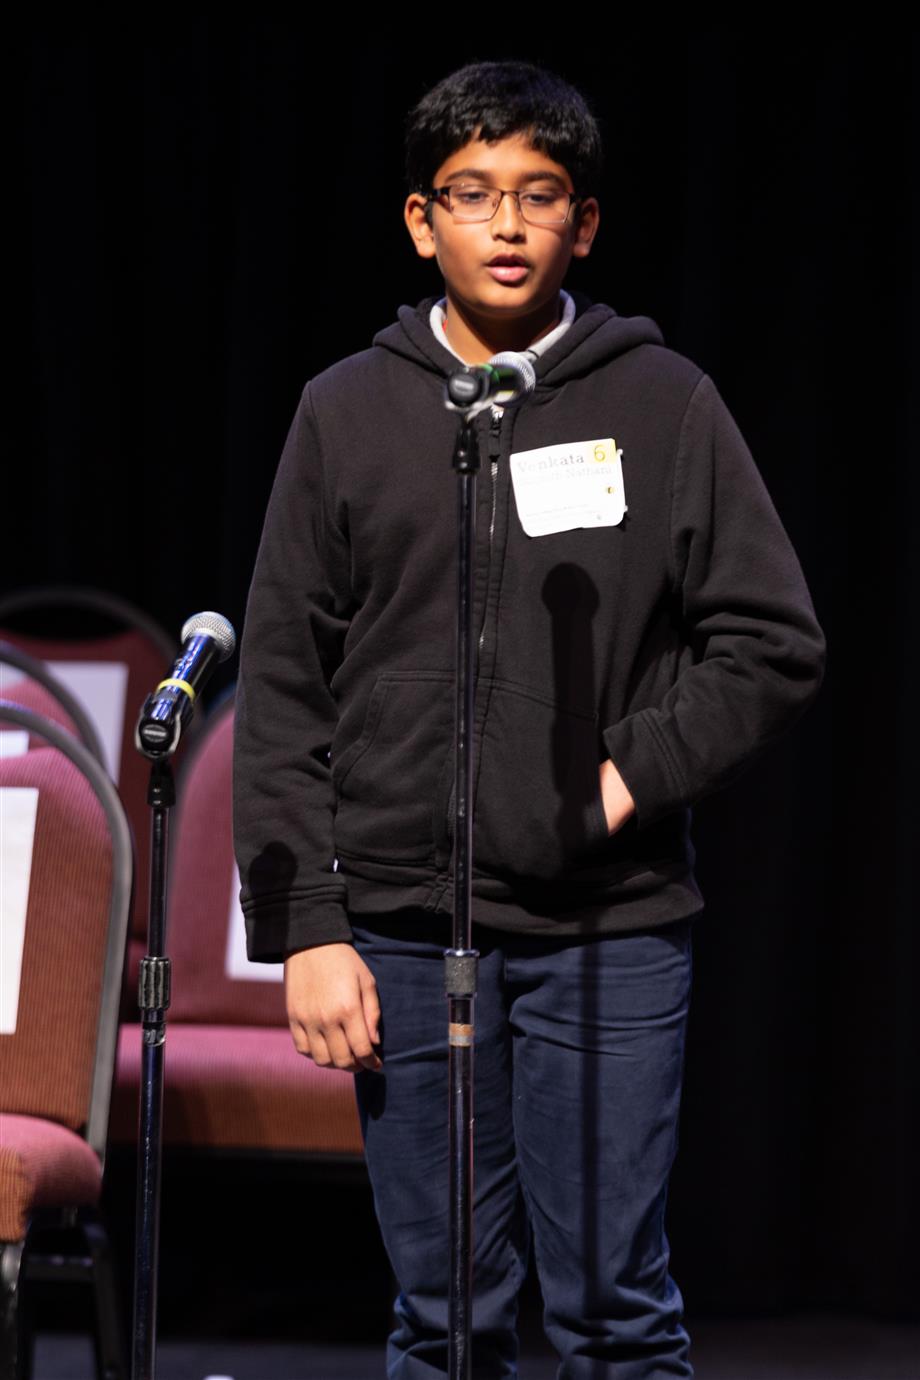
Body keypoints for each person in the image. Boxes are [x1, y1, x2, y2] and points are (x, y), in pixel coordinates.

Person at [233, 60, 825, 1379]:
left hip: (604, 932)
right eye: (474, 193)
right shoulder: (346, 410)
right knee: (441, 1318)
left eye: (539, 195)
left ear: (586, 224)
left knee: (612, 1308)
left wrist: (624, 776)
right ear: (417, 218)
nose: (505, 224)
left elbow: (772, 644)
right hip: (398, 926)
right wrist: (305, 931)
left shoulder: (660, 401)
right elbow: (283, 683)